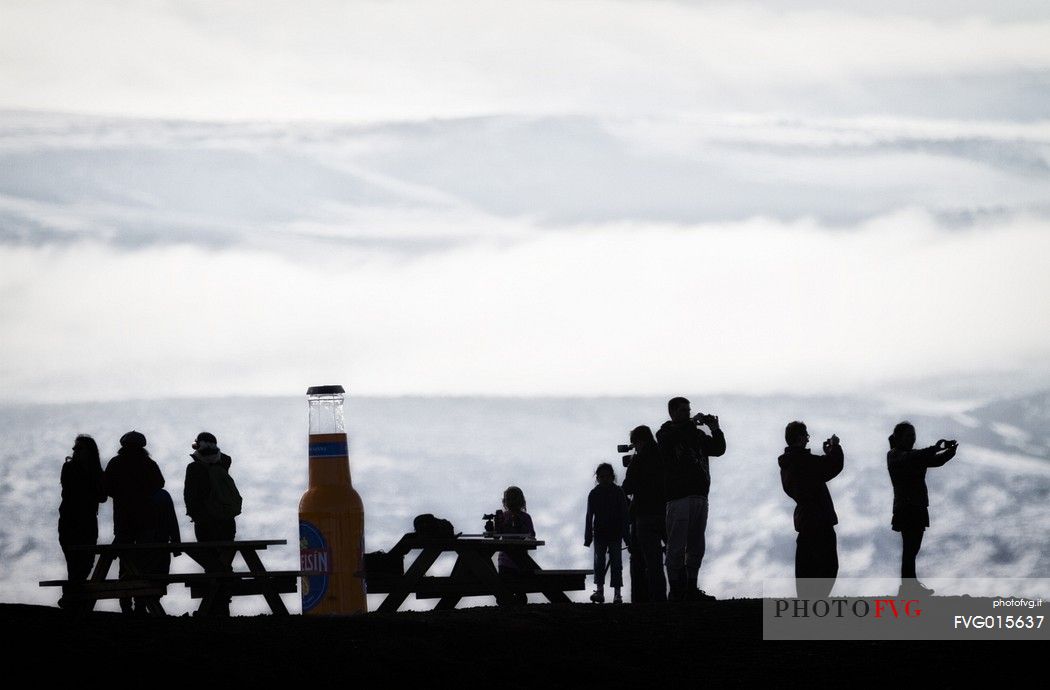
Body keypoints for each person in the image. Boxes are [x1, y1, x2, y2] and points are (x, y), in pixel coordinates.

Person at [656, 396, 726, 601]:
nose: (687, 414)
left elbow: (719, 449)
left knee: (696, 545)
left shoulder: (697, 435)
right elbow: (670, 441)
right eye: (683, 411)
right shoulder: (665, 433)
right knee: (676, 546)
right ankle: (676, 590)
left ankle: (691, 588)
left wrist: (715, 428)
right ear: (673, 413)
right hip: (678, 497)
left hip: (700, 496)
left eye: (688, 410)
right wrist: (690, 424)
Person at [887, 421, 958, 596]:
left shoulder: (912, 456)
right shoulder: (895, 455)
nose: (912, 439)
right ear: (899, 438)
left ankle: (910, 585)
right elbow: (917, 457)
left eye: (913, 435)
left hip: (917, 507)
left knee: (913, 548)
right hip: (906, 508)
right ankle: (908, 587)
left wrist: (950, 452)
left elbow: (936, 461)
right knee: (910, 548)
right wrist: (936, 447)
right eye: (909, 435)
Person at [778, 421, 843, 600]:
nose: (808, 439)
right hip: (819, 519)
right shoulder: (802, 461)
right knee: (827, 566)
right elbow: (832, 466)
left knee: (807, 569)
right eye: (806, 435)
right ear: (800, 438)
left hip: (806, 520)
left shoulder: (790, 463)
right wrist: (835, 448)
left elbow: (821, 468)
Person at [104, 430, 165, 614]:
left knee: (126, 563)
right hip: (146, 520)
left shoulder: (115, 463)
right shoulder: (148, 463)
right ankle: (141, 604)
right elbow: (160, 484)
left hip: (123, 521)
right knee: (144, 563)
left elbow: (107, 488)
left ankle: (126, 603)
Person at [184, 431, 241, 615]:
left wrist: (194, 514)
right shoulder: (224, 462)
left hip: (205, 523)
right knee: (224, 563)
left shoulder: (195, 468)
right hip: (226, 522)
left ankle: (211, 607)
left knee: (211, 564)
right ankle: (222, 605)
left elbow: (190, 497)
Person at [58, 435, 107, 611]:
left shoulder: (94, 472)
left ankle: (72, 601)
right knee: (75, 563)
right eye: (74, 449)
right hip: (71, 522)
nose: (74, 452)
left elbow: (102, 496)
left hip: (86, 523)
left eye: (79, 449)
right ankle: (73, 601)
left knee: (85, 564)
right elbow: (75, 491)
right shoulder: (70, 468)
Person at [621, 425, 667, 602]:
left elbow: (628, 487)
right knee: (674, 557)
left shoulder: (639, 461)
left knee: (652, 562)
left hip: (645, 514)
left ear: (638, 441)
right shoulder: (664, 455)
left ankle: (653, 599)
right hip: (666, 511)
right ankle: (679, 595)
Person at [584, 463, 629, 604]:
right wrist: (588, 537)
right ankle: (600, 591)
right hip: (600, 534)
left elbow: (624, 515)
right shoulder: (594, 494)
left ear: (612, 477)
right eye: (601, 477)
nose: (604, 479)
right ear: (597, 478)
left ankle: (617, 594)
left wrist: (627, 537)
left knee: (616, 564)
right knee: (599, 563)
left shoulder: (618, 492)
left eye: (607, 476)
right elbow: (589, 516)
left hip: (614, 533)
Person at [493, 486, 535, 606]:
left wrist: (520, 525)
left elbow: (531, 535)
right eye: (509, 499)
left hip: (518, 561)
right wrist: (497, 524)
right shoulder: (503, 517)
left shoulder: (525, 517)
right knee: (506, 594)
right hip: (510, 560)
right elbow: (496, 536)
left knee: (518, 594)